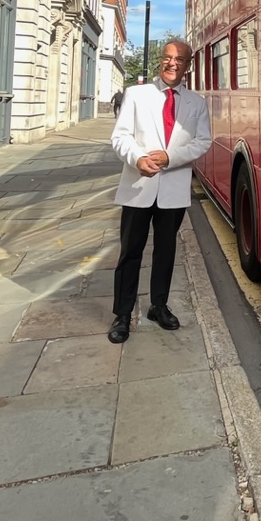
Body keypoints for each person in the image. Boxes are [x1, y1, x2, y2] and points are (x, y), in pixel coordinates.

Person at [107, 38, 212, 345]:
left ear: (187, 66)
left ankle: (158, 305)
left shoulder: (196, 102)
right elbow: (120, 137)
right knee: (130, 252)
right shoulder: (137, 95)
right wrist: (137, 158)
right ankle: (123, 315)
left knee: (166, 251)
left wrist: (170, 158)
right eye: (167, 58)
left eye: (179, 60)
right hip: (138, 186)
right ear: (160, 60)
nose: (172, 63)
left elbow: (203, 141)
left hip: (173, 189)